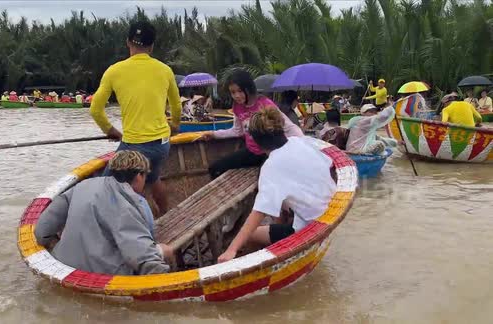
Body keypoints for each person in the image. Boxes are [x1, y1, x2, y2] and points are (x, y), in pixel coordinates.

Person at [217, 108, 336, 263]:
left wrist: (232, 249)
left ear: (256, 142)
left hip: (311, 227)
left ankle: (268, 264)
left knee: (251, 235)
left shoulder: (271, 166)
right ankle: (280, 235)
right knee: (280, 200)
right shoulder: (301, 141)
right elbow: (329, 164)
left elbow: (258, 212)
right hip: (331, 214)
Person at [90, 21, 181, 215]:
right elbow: (176, 106)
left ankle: (137, 224)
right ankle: (165, 213)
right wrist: (174, 125)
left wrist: (110, 131)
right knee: (153, 177)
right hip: (162, 145)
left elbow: (96, 109)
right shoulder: (165, 70)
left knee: (106, 187)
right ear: (152, 46)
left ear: (127, 42)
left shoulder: (114, 71)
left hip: (134, 146)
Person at [34, 151, 172, 275]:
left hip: (63, 265)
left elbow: (41, 231)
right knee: (166, 251)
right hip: (102, 274)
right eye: (145, 177)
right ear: (138, 176)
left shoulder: (82, 186)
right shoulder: (128, 204)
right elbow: (141, 254)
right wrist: (161, 254)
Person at [200, 69, 303, 179]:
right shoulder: (237, 107)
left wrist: (303, 143)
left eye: (240, 91)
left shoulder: (265, 104)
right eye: (233, 92)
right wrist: (214, 134)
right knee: (215, 168)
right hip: (252, 151)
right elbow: (237, 131)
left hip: (269, 152)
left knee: (265, 180)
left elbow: (289, 127)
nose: (236, 96)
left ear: (249, 89)